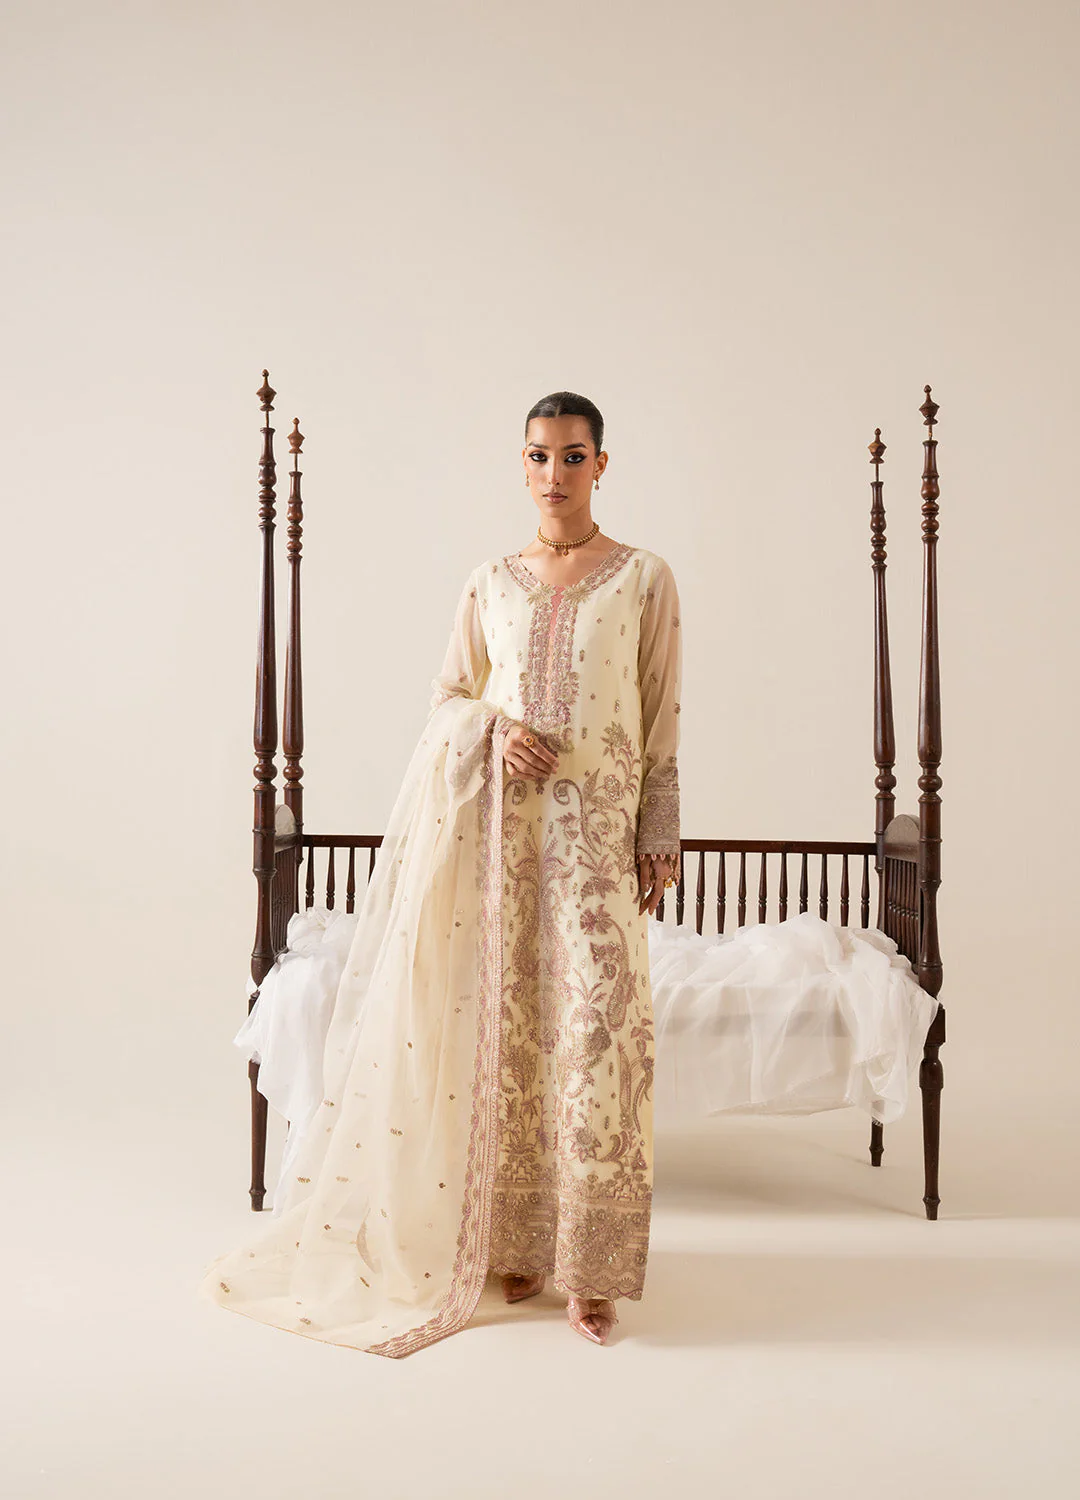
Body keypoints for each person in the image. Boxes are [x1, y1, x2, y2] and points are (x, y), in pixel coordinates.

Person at [198, 390, 683, 1355]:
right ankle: (519, 1246)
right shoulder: (490, 583)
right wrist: (493, 730)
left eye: (573, 455)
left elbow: (661, 705)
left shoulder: (643, 578)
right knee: (509, 1037)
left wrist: (657, 827)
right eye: (539, 455)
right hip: (502, 843)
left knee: (596, 1040)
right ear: (522, 462)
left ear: (601, 464)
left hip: (593, 850)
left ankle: (592, 1271)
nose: (555, 473)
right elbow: (448, 697)